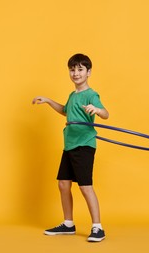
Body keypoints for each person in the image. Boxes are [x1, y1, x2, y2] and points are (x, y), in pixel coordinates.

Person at [32, 53, 109, 242]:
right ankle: (68, 224)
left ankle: (98, 228)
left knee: (85, 186)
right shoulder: (72, 95)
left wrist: (97, 110)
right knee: (63, 184)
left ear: (88, 72)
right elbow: (66, 111)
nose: (76, 73)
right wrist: (49, 101)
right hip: (70, 145)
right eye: (72, 70)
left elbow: (106, 114)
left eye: (80, 69)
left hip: (84, 145)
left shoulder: (91, 95)